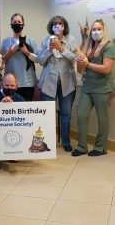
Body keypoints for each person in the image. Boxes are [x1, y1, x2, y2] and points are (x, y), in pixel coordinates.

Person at [72, 19, 115, 157]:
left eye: (99, 29)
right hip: (87, 87)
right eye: (94, 29)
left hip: (102, 88)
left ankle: (101, 147)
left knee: (102, 119)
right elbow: (80, 70)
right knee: (81, 115)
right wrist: (80, 62)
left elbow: (107, 69)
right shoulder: (87, 47)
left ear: (104, 30)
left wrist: (88, 64)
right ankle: (82, 146)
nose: (96, 32)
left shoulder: (109, 47)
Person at [38, 16, 77, 152]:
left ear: (64, 26)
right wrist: (49, 50)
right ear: (51, 27)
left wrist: (61, 48)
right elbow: (41, 61)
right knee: (47, 114)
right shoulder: (45, 40)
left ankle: (66, 141)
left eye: (60, 24)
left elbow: (74, 59)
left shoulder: (71, 40)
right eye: (55, 24)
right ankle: (46, 142)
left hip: (67, 83)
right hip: (48, 83)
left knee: (66, 114)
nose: (57, 26)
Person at [0, 73, 25, 170]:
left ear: (17, 86)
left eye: (12, 85)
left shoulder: (19, 98)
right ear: (1, 85)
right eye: (7, 85)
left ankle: (12, 152)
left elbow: (25, 116)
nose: (9, 87)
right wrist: (1, 106)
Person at [0, 13, 38, 101]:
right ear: (11, 24)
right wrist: (9, 53)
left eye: (19, 22)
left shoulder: (31, 41)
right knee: (11, 111)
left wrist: (26, 52)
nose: (17, 24)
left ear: (23, 24)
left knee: (26, 111)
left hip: (28, 83)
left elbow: (37, 59)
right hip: (10, 84)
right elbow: (0, 64)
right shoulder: (5, 42)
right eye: (14, 22)